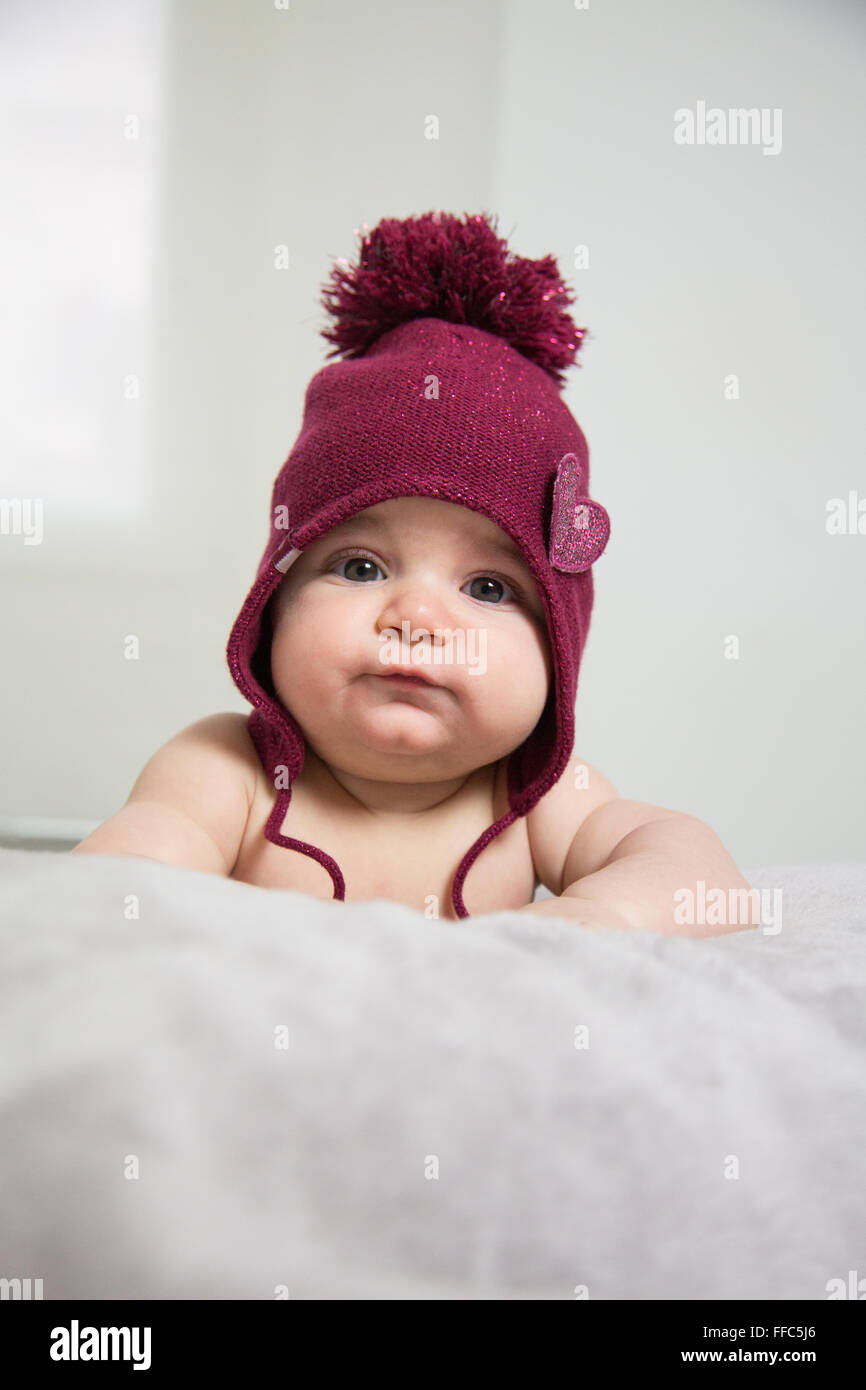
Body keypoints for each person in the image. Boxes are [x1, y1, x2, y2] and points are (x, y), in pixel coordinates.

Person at [72, 210, 752, 934]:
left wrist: (598, 919)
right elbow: (108, 894)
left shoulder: (534, 798)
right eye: (360, 566)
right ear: (272, 605)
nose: (417, 621)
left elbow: (706, 882)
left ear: (559, 645)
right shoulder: (229, 770)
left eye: (489, 587)